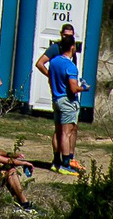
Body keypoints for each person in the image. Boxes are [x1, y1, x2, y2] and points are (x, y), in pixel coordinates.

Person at [44, 30, 89, 173]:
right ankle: (65, 164)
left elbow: (51, 78)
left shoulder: (54, 62)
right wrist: (84, 88)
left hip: (56, 98)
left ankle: (56, 161)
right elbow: (73, 88)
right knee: (66, 133)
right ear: (72, 47)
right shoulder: (70, 66)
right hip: (67, 101)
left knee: (58, 131)